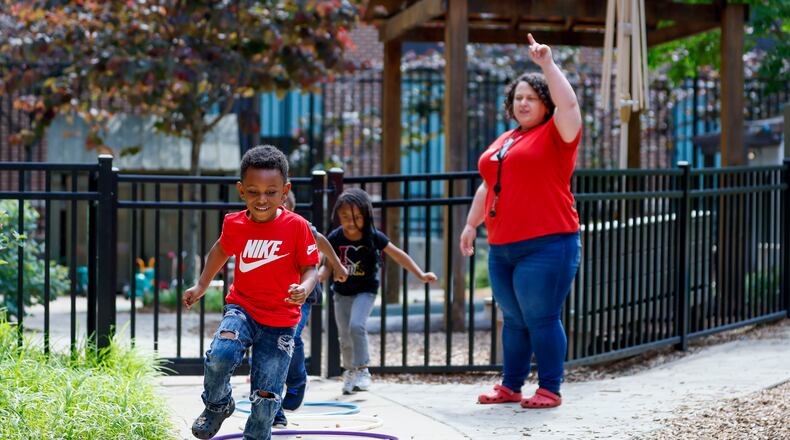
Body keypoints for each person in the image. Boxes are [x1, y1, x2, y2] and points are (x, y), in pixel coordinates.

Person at [459, 33, 582, 409]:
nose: (523, 103)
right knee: (512, 319)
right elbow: (488, 184)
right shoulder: (507, 138)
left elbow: (571, 103)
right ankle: (510, 387)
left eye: (531, 97)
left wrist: (546, 63)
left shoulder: (558, 134)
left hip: (549, 243)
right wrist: (470, 224)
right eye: (518, 98)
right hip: (502, 246)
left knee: (541, 317)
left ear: (546, 104)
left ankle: (550, 389)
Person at [184, 145, 319, 440]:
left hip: (282, 319)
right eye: (254, 191)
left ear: (285, 191)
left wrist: (304, 287)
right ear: (241, 191)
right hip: (242, 309)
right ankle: (218, 406)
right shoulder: (235, 224)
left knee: (267, 392)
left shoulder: (297, 227)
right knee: (220, 355)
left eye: (271, 192)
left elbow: (311, 268)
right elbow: (219, 251)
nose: (262, 199)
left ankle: (257, 435)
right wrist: (201, 285)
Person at [320, 188, 438, 394]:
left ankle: (363, 369)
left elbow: (399, 255)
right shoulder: (335, 237)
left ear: (366, 216)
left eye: (357, 217)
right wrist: (314, 281)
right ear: (338, 216)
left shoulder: (373, 237)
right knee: (345, 336)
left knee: (357, 325)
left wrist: (420, 274)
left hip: (366, 290)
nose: (351, 222)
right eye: (345, 216)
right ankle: (349, 371)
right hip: (341, 292)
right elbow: (326, 267)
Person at [271, 191, 349, 429]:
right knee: (269, 350)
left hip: (300, 296)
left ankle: (296, 379)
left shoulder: (300, 227)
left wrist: (337, 265)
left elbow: (322, 240)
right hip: (271, 299)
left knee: (290, 337)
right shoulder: (259, 229)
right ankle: (274, 412)